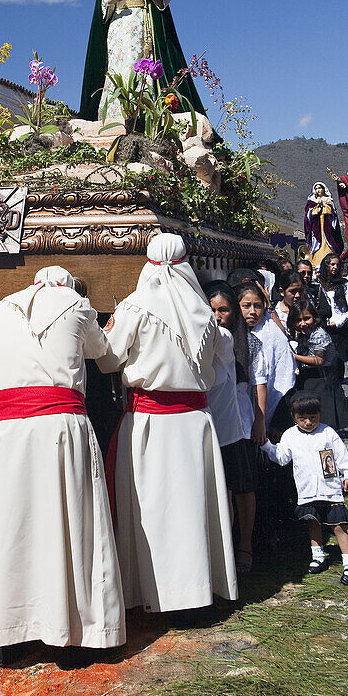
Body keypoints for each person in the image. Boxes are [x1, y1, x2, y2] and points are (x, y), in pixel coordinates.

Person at [0, 266, 125, 664]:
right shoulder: (77, 306)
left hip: (5, 434)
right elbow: (104, 354)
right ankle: (74, 634)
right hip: (58, 428)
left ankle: (10, 634)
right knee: (70, 528)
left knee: (13, 532)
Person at [97, 235, 237, 615]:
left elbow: (108, 362)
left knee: (153, 510)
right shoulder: (204, 312)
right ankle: (196, 592)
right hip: (194, 424)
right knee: (191, 507)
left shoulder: (135, 306)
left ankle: (153, 593)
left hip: (150, 424)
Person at [80, 0, 204, 121]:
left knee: (137, 62)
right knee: (117, 65)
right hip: (118, 25)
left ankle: (142, 110)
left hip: (139, 23)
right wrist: (111, 1)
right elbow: (102, 5)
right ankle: (115, 113)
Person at [261, 394, 348, 584]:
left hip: (330, 489)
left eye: (312, 418)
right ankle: (318, 557)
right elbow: (281, 458)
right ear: (294, 417)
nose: (308, 422)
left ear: (319, 415)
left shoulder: (328, 433)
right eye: (302, 418)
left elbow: (342, 455)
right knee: (313, 523)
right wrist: (265, 445)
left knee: (338, 526)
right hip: (308, 491)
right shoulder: (290, 435)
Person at [206, 282, 267, 574]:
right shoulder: (206, 343)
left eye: (224, 310)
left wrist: (259, 420)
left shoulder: (248, 344)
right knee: (222, 489)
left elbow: (258, 386)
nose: (218, 317)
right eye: (213, 310)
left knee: (243, 488)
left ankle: (246, 544)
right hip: (212, 423)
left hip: (240, 424)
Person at [236, 279, 296, 435]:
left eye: (257, 306)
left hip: (270, 400)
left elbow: (277, 372)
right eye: (246, 306)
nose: (253, 312)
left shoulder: (270, 332)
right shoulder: (232, 334)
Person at [286, 298, 348, 433]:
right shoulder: (305, 335)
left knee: (322, 419)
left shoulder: (319, 334)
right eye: (298, 320)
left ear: (314, 318)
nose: (303, 323)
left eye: (307, 318)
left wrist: (293, 357)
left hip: (321, 380)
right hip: (310, 379)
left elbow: (318, 360)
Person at [318, 254, 348, 378]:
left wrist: (339, 322)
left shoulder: (343, 283)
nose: (335, 267)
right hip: (323, 324)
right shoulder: (318, 282)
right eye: (332, 264)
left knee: (338, 358)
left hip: (338, 325)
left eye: (337, 265)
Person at [303, 183, 343, 267]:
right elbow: (308, 214)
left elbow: (332, 213)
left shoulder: (328, 200)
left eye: (320, 188)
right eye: (316, 188)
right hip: (316, 227)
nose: (318, 190)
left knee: (328, 244)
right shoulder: (312, 201)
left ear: (324, 189)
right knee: (316, 244)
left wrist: (323, 206)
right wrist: (317, 208)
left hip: (327, 227)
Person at [296, 260, 332, 324]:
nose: (306, 276)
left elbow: (327, 311)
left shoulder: (317, 288)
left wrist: (311, 314)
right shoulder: (291, 289)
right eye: (303, 273)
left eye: (309, 273)